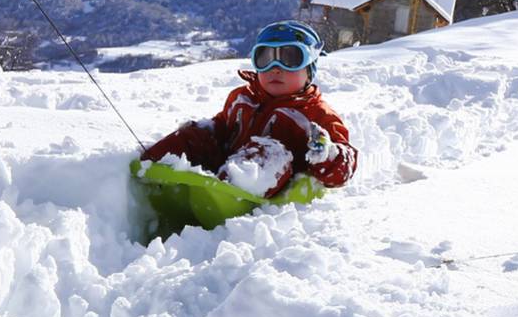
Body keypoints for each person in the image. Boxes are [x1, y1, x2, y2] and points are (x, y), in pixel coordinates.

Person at [140, 21, 358, 197]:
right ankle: (148, 168)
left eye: (290, 58)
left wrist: (328, 154)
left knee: (272, 150)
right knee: (197, 133)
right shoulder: (241, 98)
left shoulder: (316, 114)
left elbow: (345, 168)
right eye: (265, 58)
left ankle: (223, 193)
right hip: (226, 162)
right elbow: (223, 126)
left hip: (262, 187)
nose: (276, 68)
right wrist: (205, 132)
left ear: (310, 69)